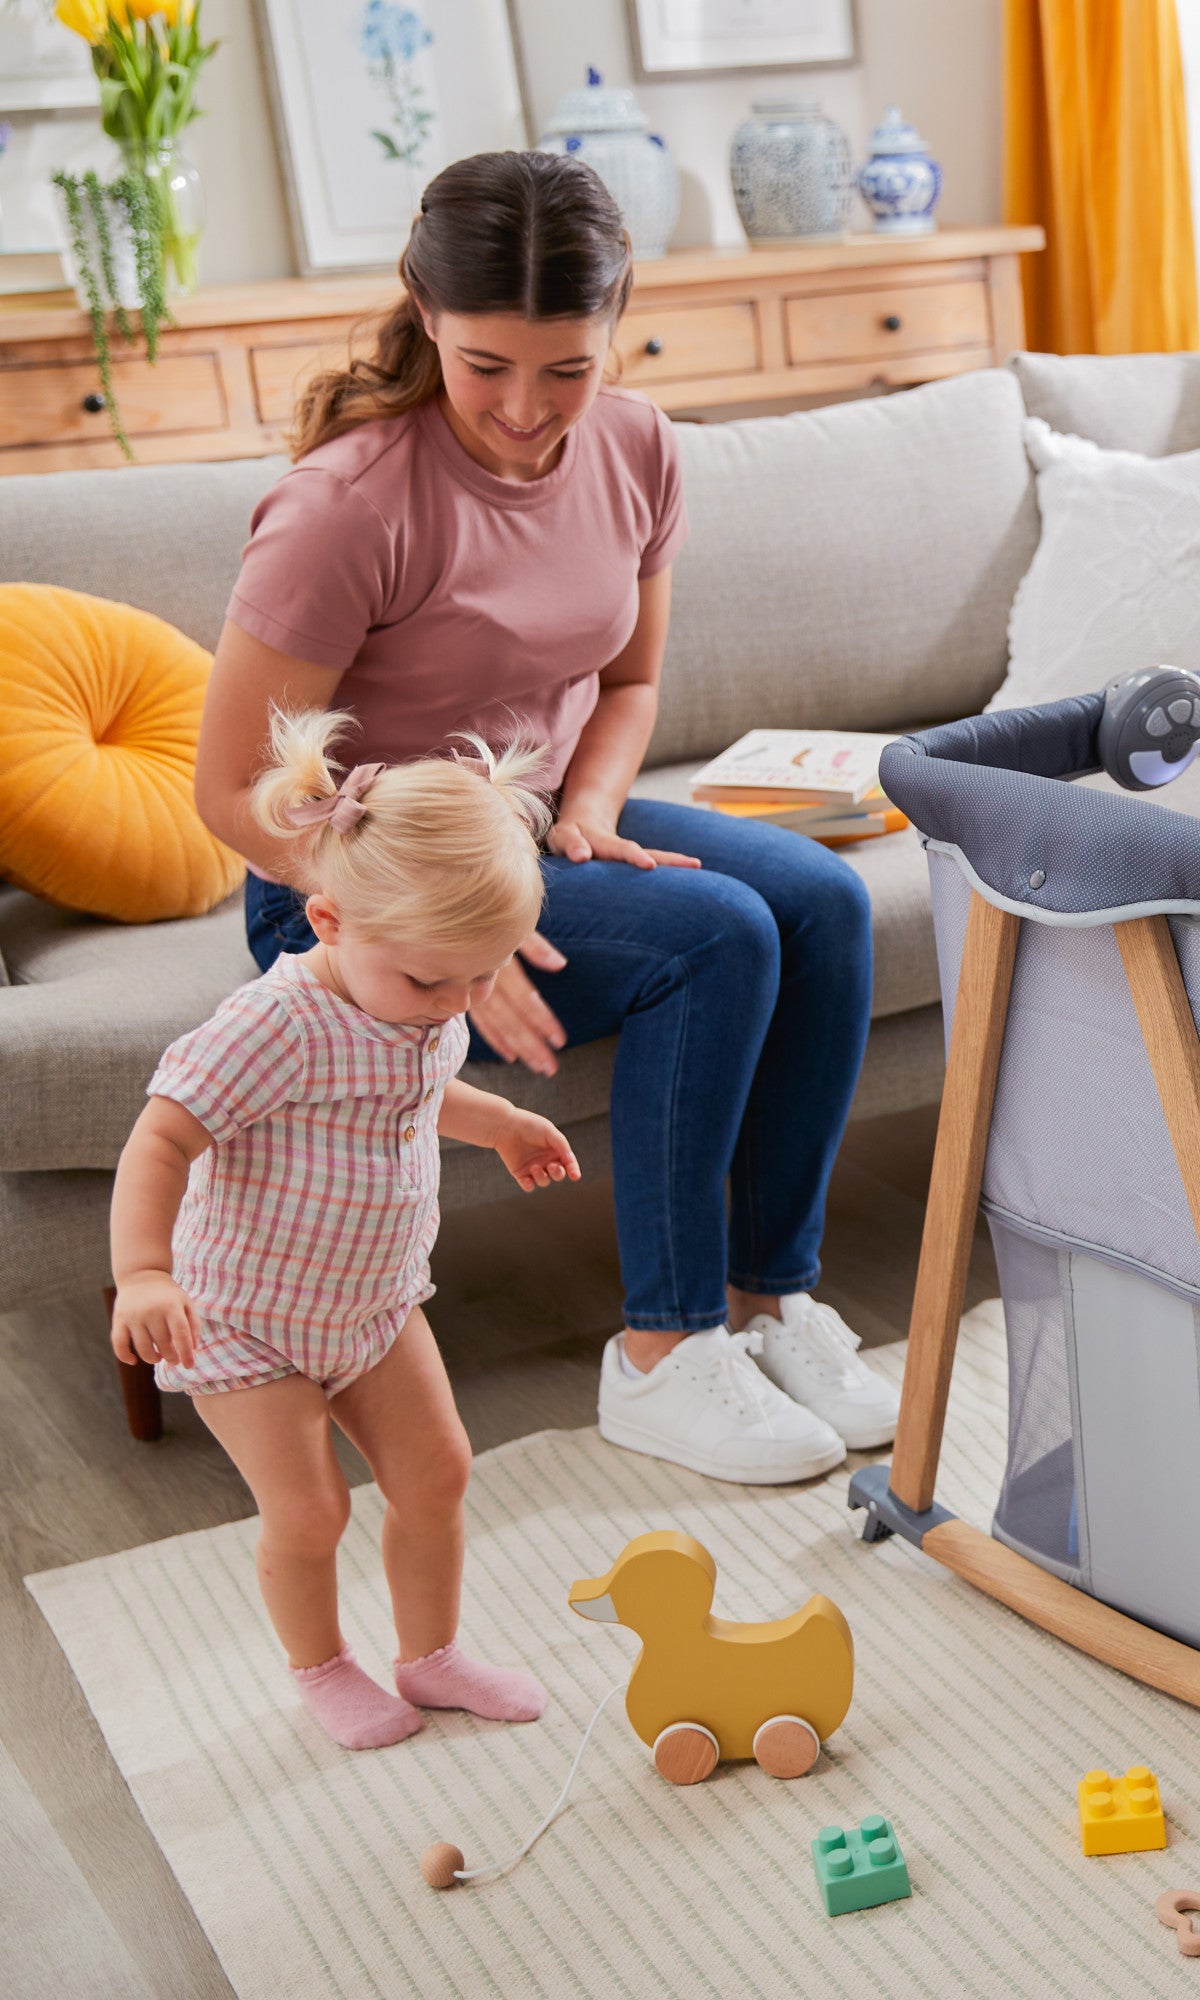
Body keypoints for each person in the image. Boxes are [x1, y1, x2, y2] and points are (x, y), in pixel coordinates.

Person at [191, 150, 896, 1485]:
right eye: (486, 367)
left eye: (566, 369)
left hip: (532, 830)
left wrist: (586, 809)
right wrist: (449, 931)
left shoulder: (636, 446)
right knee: (717, 934)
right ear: (423, 314)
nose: (527, 411)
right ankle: (658, 1351)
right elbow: (231, 789)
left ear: (617, 329)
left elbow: (626, 680)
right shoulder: (346, 507)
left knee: (824, 900)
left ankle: (765, 1305)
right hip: (350, 884)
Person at [111, 714, 577, 1750]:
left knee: (439, 1473)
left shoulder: (423, 994)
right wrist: (143, 1271)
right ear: (326, 920)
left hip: (371, 1304)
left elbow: (409, 1085)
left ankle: (432, 1653)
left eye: (481, 975)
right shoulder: (269, 1025)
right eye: (431, 982)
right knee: (311, 1509)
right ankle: (321, 1664)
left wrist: (492, 1118)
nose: (454, 1003)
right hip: (247, 1321)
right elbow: (160, 1139)